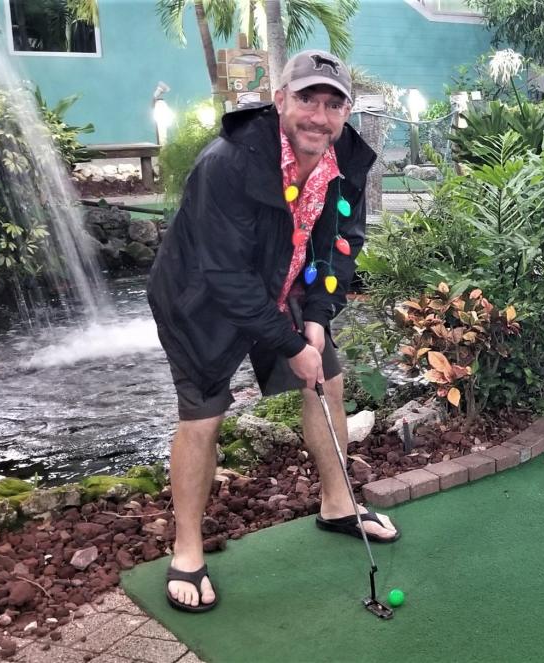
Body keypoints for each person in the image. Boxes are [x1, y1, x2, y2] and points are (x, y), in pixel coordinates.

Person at [147, 49, 400, 613]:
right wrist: (290, 345)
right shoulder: (229, 163)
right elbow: (223, 273)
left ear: (346, 112)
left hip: (283, 286)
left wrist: (314, 321)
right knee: (203, 417)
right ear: (280, 99)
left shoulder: (346, 161)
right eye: (308, 98)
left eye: (333, 104)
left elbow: (340, 246)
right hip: (200, 299)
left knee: (325, 380)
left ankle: (337, 504)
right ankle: (186, 550)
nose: (320, 115)